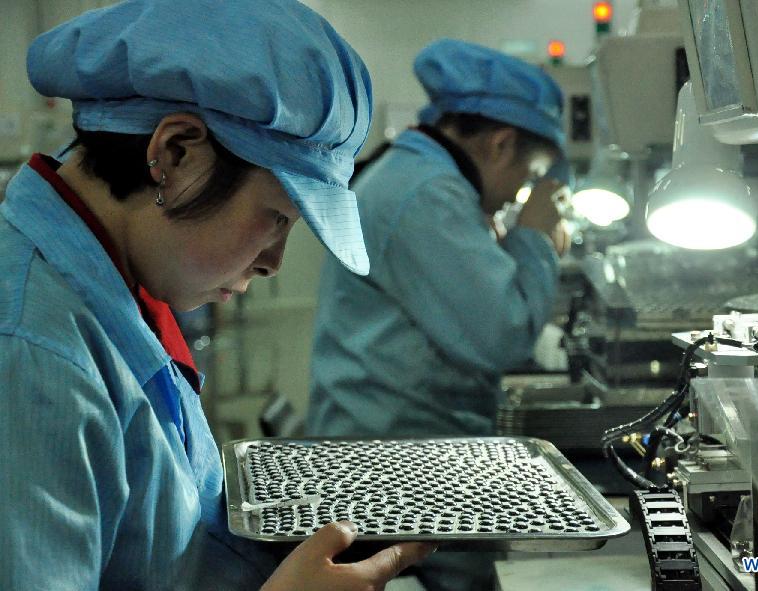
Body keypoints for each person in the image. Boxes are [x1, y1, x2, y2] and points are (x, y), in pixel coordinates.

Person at [0, 1, 434, 589]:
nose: (274, 263)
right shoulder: (32, 353)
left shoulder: (120, 287)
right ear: (175, 154)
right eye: (277, 218)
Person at [306, 39, 570, 590]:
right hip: (398, 477)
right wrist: (537, 239)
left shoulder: (417, 175)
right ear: (500, 143)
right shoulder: (429, 193)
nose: (519, 192)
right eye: (528, 175)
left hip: (397, 460)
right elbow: (503, 331)